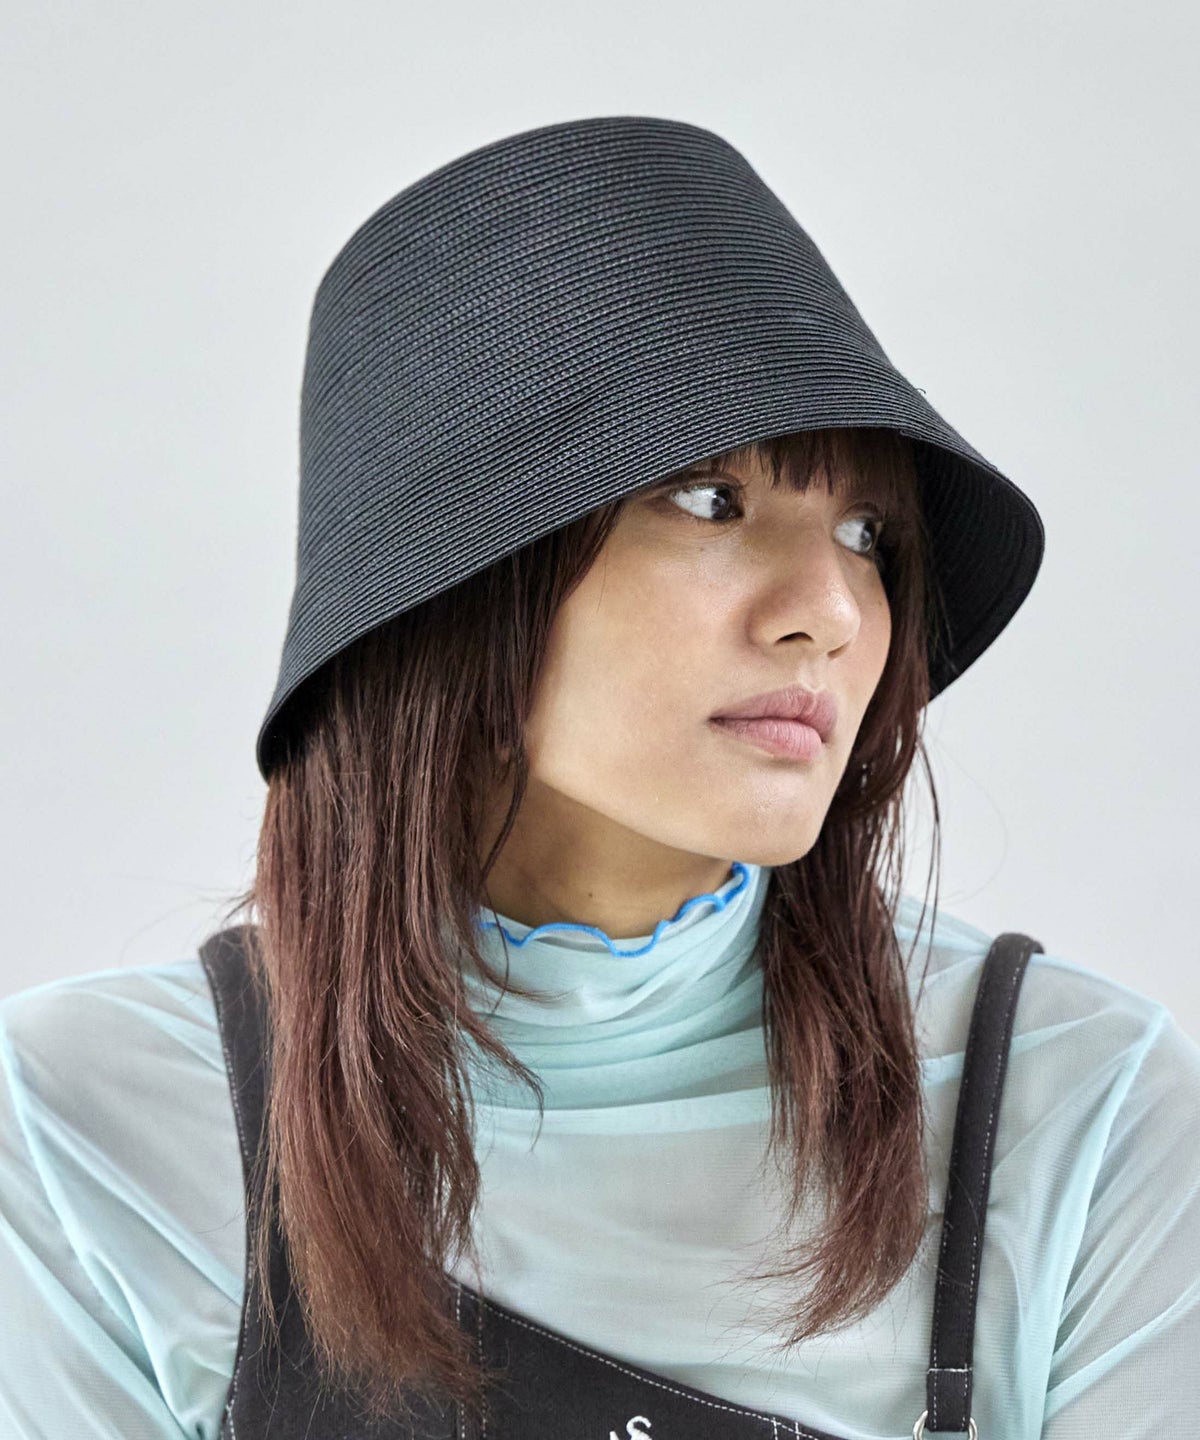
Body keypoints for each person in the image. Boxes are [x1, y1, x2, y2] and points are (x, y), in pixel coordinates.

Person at [2, 116, 1198, 1440]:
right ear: (448, 585)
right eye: (712, 502)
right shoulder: (89, 1128)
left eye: (868, 532)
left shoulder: (1075, 1111)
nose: (831, 612)